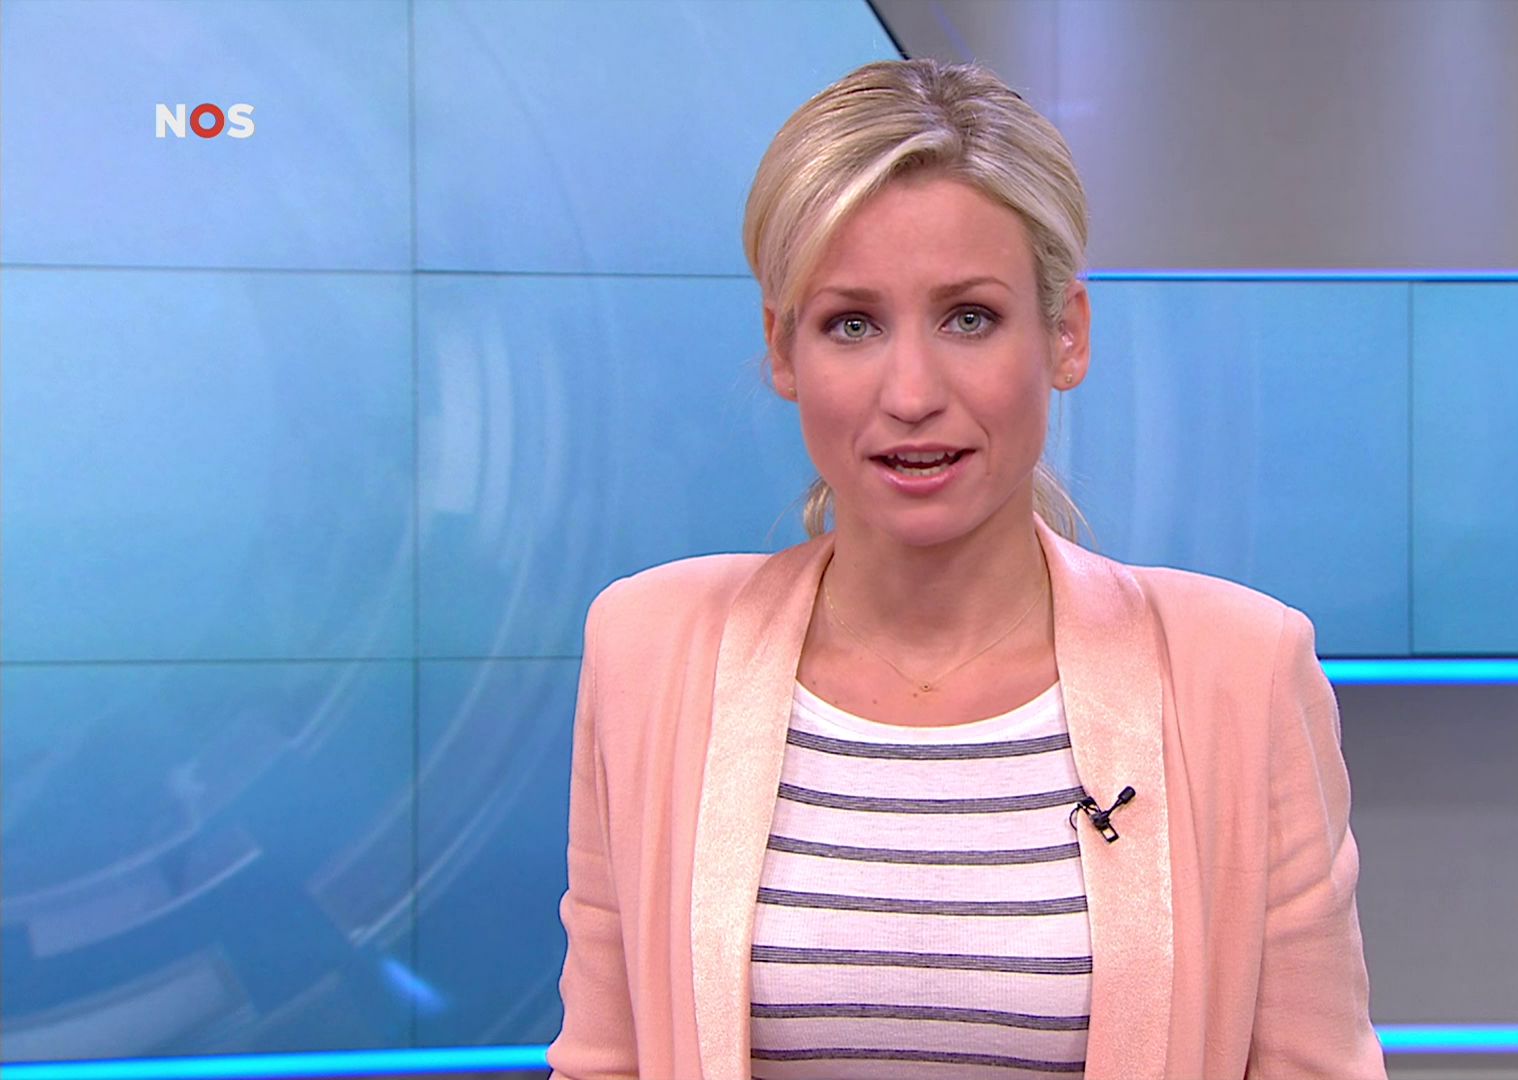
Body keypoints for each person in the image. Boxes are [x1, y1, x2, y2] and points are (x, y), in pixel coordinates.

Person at [546, 57, 1386, 1080]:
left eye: (969, 318)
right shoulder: (649, 651)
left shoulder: (1239, 672)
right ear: (783, 349)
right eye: (852, 324)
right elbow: (602, 1061)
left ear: (1066, 335)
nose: (911, 393)